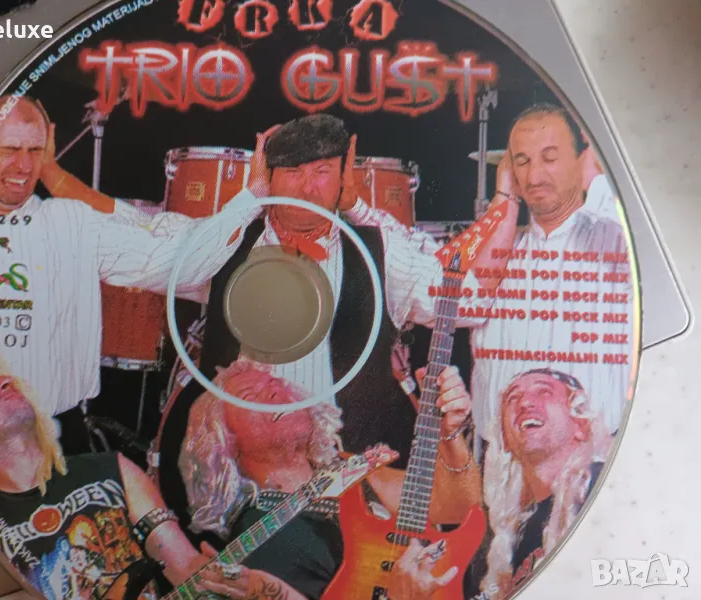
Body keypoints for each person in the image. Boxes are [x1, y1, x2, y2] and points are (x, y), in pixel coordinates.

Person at [0, 94, 258, 454]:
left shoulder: (71, 227)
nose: (23, 166)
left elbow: (183, 262)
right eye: (9, 149)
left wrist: (255, 194)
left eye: (34, 151)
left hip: (49, 441)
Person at [176, 113, 519, 468]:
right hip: (245, 478)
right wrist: (251, 197)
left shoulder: (378, 252)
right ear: (269, 177)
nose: (307, 188)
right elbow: (172, 264)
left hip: (351, 481)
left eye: (322, 172)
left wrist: (507, 195)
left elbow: (470, 301)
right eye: (292, 172)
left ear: (343, 177)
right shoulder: (223, 248)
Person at [0, 351, 297, 600]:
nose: (2, 382)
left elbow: (182, 564)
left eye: (5, 380)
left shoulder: (112, 469)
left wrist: (221, 578)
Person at [178, 359, 481, 600]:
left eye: (275, 383)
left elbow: (456, 506)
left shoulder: (344, 469)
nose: (274, 393)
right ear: (225, 443)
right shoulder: (261, 537)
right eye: (250, 397)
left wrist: (450, 432)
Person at [444, 103, 635, 457]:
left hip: (592, 463)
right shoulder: (502, 249)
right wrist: (504, 199)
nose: (534, 177)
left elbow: (654, 246)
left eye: (550, 158)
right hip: (503, 466)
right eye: (522, 162)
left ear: (580, 160)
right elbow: (455, 308)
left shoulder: (616, 240)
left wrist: (593, 175)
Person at [474, 368, 612, 599]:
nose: (525, 402)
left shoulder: (602, 489)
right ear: (505, 439)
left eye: (544, 392)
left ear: (581, 424)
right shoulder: (515, 534)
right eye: (513, 398)